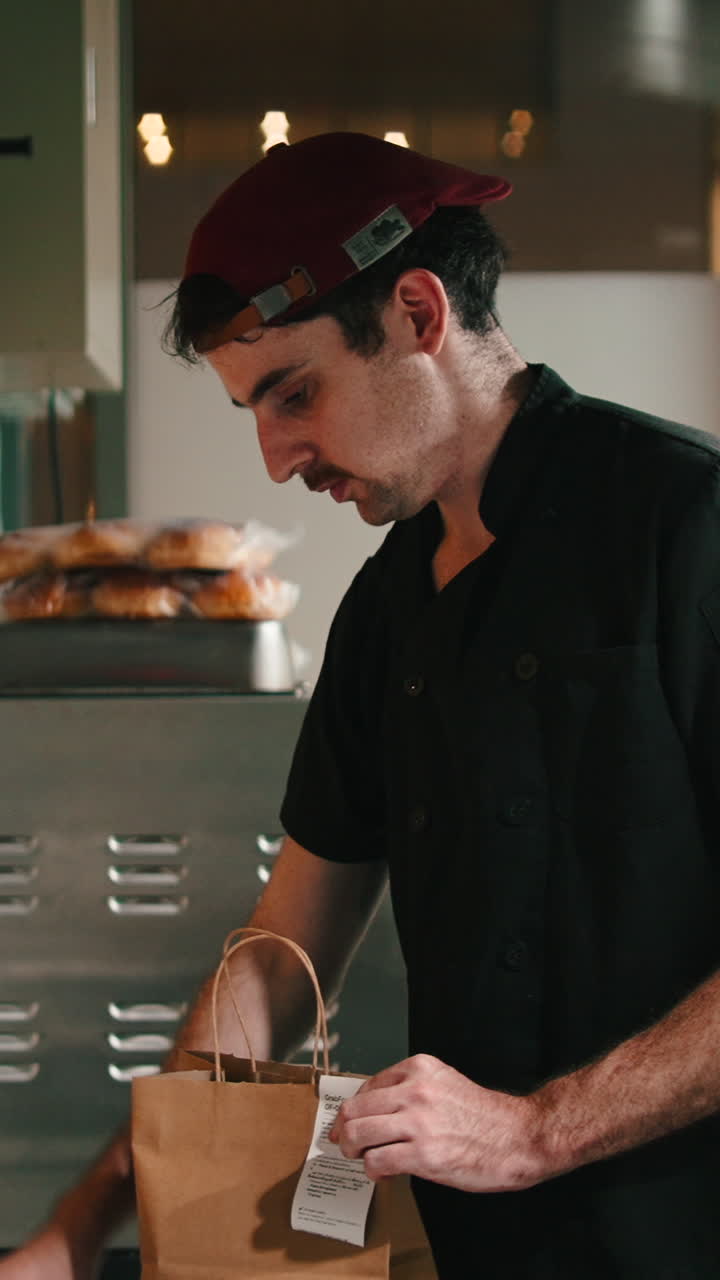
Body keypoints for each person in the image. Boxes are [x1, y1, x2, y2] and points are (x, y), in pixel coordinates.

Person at [4, 129, 720, 1279]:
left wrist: (536, 1131)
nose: (278, 457)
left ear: (420, 315)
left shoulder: (686, 525)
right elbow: (276, 957)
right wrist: (83, 1225)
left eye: (295, 393)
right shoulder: (389, 607)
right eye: (252, 409)